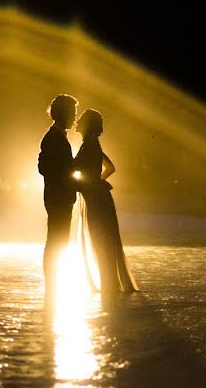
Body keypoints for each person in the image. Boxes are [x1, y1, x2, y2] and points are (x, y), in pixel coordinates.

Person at [73, 108, 139, 299]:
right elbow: (110, 168)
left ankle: (108, 284)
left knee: (100, 238)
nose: (77, 123)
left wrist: (90, 183)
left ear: (86, 125)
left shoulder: (89, 146)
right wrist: (97, 180)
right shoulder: (94, 144)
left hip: (95, 197)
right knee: (103, 238)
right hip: (98, 195)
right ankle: (108, 282)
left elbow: (76, 168)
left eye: (80, 120)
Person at [38, 94, 78, 305]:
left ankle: (53, 282)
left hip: (60, 196)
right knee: (56, 239)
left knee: (58, 239)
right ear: (64, 114)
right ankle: (52, 283)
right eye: (72, 113)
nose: (75, 117)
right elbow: (43, 167)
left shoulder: (57, 136)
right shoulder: (52, 138)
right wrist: (69, 177)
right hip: (57, 197)